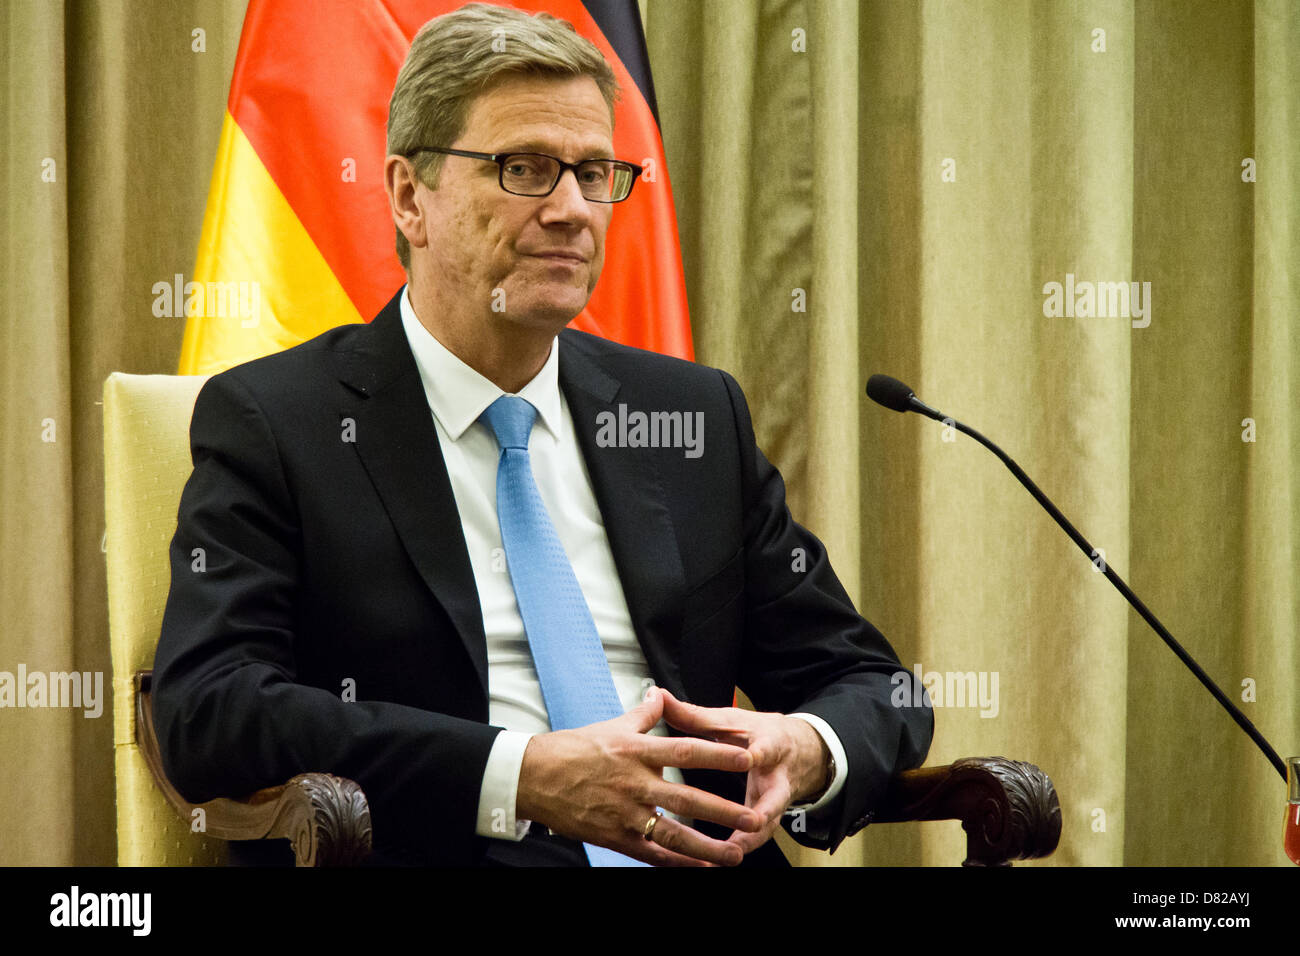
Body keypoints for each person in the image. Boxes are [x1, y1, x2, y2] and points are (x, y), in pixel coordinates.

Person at [152, 2, 932, 867]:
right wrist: (517, 774)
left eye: (595, 172)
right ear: (410, 195)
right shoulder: (279, 422)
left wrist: (812, 747)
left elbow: (874, 683)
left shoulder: (689, 418)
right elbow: (209, 708)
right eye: (524, 168)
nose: (572, 210)